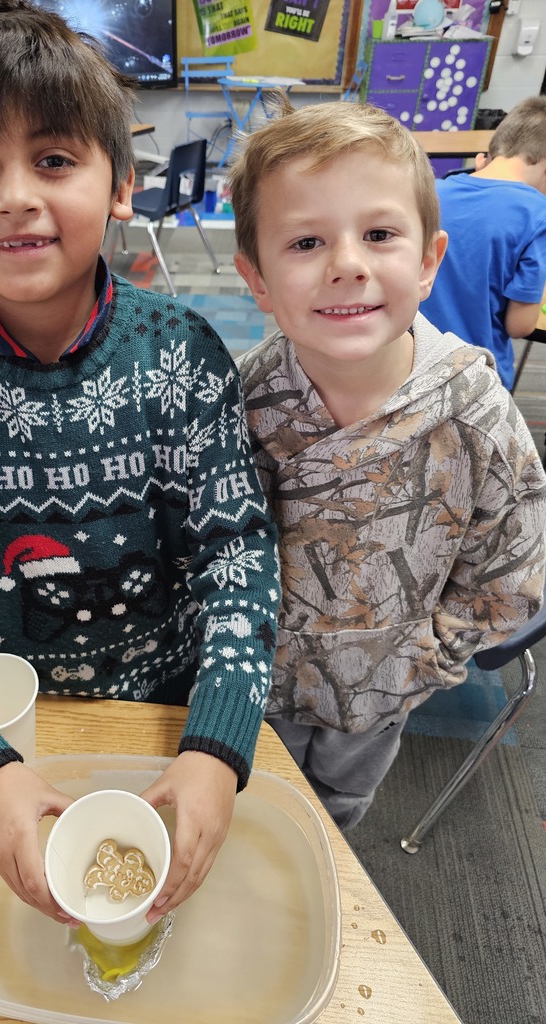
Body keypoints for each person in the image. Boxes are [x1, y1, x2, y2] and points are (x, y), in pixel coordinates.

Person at [0, 0, 279, 927]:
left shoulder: (184, 354)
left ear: (120, 183)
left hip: (167, 718)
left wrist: (216, 743)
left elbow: (237, 555)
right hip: (11, 728)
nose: (15, 195)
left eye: (52, 159)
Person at [230, 100, 546, 829]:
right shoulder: (241, 400)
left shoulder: (477, 413)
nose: (348, 265)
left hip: (381, 689)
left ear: (429, 261)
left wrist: (424, 659)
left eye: (378, 234)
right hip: (256, 681)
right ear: (258, 279)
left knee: (339, 810)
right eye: (306, 241)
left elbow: (511, 569)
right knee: (256, 805)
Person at [420, 96, 546, 391]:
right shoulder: (538, 215)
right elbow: (520, 325)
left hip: (408, 365)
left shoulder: (430, 190)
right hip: (477, 379)